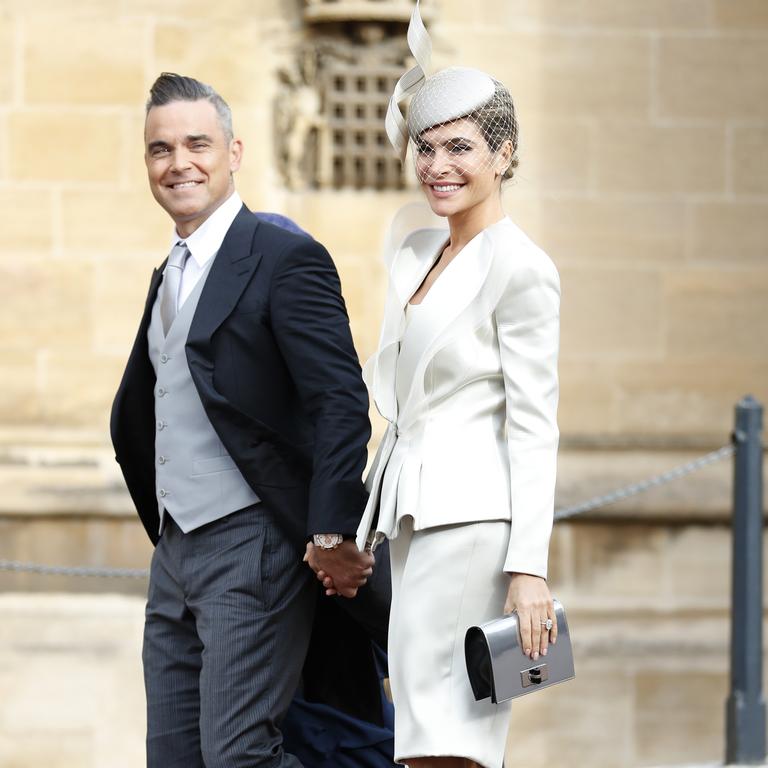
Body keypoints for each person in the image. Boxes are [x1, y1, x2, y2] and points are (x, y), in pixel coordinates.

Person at [314, 4, 561, 767]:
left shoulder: (521, 267)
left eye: (460, 146)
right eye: (426, 147)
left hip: (476, 529)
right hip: (415, 523)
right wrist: (359, 528)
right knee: (425, 728)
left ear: (505, 152)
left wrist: (529, 569)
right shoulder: (419, 250)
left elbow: (534, 423)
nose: (437, 165)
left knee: (447, 734)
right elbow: (404, 409)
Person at [110, 72, 380, 768]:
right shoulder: (167, 274)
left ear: (234, 152)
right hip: (175, 550)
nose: (179, 163)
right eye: (160, 149)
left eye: (197, 144)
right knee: (174, 757)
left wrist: (329, 528)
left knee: (238, 756)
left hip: (253, 542)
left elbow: (340, 399)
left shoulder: (285, 258)